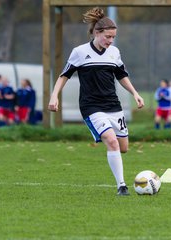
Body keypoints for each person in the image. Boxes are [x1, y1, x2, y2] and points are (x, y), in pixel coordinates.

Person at [48, 7, 144, 196]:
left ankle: (115, 159)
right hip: (91, 106)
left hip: (113, 105)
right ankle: (121, 186)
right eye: (107, 36)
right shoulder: (80, 52)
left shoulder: (114, 53)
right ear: (96, 33)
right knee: (111, 141)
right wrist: (54, 96)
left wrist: (135, 93)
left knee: (123, 148)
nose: (110, 41)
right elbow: (63, 75)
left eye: (113, 37)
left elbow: (121, 76)